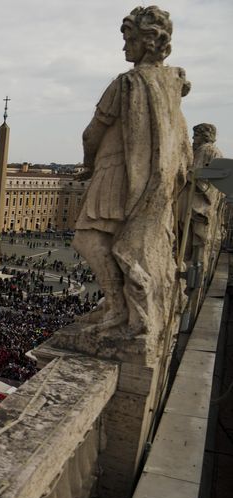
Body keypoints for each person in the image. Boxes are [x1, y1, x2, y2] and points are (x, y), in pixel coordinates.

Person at [71, 6, 190, 343]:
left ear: (147, 42)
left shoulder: (128, 83)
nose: (125, 48)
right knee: (114, 240)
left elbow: (91, 133)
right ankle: (119, 305)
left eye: (129, 40)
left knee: (88, 238)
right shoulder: (170, 90)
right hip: (148, 179)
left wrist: (88, 164)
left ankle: (116, 306)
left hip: (116, 172)